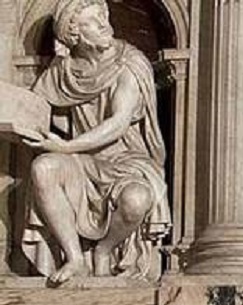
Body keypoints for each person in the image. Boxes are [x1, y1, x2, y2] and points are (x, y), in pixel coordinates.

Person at [20, 0, 170, 286]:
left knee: (136, 200)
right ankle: (75, 258)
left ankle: (104, 249)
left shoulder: (129, 62)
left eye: (103, 16)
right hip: (82, 162)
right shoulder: (62, 72)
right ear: (74, 36)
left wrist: (64, 146)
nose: (104, 23)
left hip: (126, 160)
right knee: (43, 168)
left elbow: (118, 123)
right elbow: (34, 107)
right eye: (92, 21)